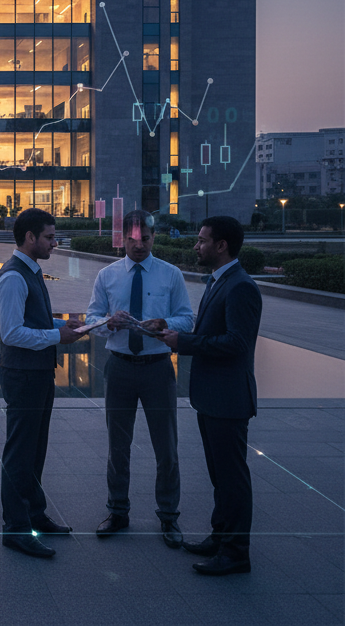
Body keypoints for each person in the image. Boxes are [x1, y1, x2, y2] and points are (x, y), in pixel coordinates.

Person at [159, 215, 261, 576]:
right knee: (221, 476)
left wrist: (183, 343)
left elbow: (237, 343)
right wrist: (173, 331)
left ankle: (235, 553)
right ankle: (221, 537)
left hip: (228, 399)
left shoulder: (240, 287)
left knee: (232, 478)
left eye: (202, 241)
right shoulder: (221, 281)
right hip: (213, 396)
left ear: (222, 246)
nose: (196, 246)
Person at [86, 210, 194, 548]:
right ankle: (118, 510)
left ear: (153, 236)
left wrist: (162, 322)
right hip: (119, 367)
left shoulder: (170, 275)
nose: (139, 245)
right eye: (132, 240)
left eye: (145, 239)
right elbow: (91, 318)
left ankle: (168, 516)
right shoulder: (107, 275)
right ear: (122, 239)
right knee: (117, 447)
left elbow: (187, 319)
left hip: (157, 368)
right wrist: (109, 323)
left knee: (167, 448)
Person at [0, 207, 83, 558]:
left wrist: (63, 325)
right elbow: (13, 333)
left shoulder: (32, 270)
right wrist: (57, 336)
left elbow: (33, 321)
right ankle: (15, 528)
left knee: (35, 449)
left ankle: (34, 513)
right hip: (24, 375)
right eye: (48, 236)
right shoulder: (14, 276)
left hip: (39, 373)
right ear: (30, 237)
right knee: (20, 452)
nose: (54, 242)